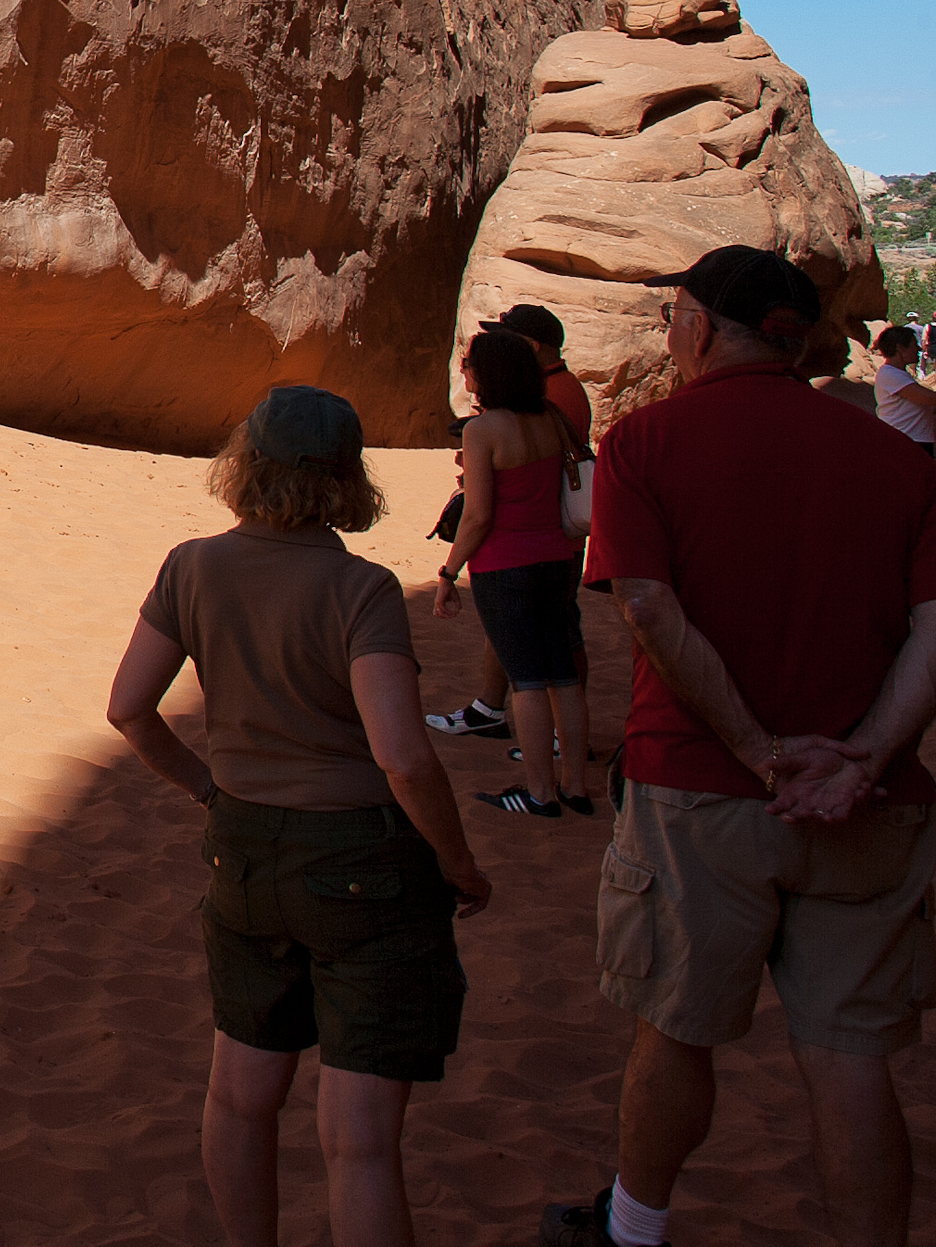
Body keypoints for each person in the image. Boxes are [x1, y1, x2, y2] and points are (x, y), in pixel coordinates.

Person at [541, 246, 936, 1247]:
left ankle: (632, 1231)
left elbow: (647, 607)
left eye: (675, 313)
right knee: (850, 1063)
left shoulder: (647, 443)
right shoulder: (900, 460)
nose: (669, 331)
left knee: (674, 1030)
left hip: (698, 795)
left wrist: (761, 753)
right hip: (869, 805)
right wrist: (865, 758)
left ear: (705, 326)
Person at [109, 386, 491, 1247]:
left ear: (246, 464)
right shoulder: (361, 590)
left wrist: (208, 789)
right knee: (357, 1144)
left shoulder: (191, 567)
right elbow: (401, 753)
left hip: (241, 848)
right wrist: (457, 861)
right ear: (347, 479)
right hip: (362, 855)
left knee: (240, 1097)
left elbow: (130, 709)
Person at [433, 328, 594, 817]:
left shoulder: (483, 431)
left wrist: (448, 570)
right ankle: (576, 788)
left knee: (526, 681)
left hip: (505, 566)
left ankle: (540, 792)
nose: (467, 371)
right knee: (563, 677)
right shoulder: (551, 418)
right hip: (556, 559)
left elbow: (479, 514)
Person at [877, 324, 934, 454]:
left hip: (912, 439)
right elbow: (928, 398)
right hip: (906, 441)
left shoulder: (898, 374)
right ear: (900, 348)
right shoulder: (890, 374)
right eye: (914, 345)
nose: (919, 349)